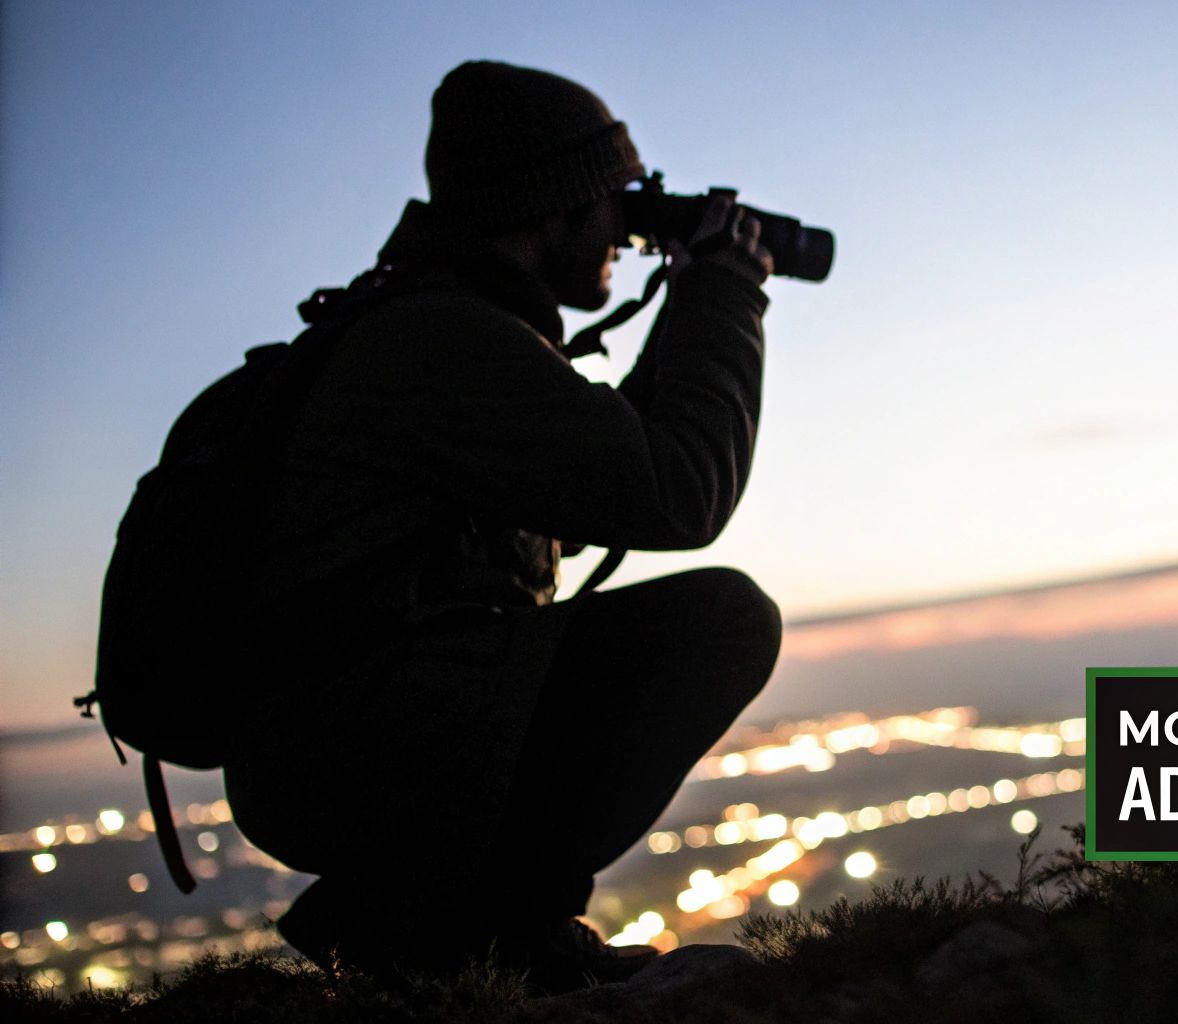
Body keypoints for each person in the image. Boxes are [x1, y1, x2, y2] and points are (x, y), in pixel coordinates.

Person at [219, 60, 782, 991]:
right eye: (618, 199)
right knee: (720, 621)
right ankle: (469, 935)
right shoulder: (442, 340)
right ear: (551, 207)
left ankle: (470, 931)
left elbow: (611, 467)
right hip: (350, 743)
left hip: (346, 730)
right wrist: (724, 292)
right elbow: (678, 491)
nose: (631, 226)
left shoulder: (433, 326)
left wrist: (695, 299)